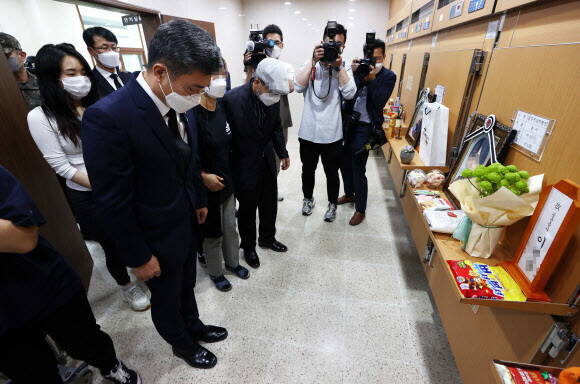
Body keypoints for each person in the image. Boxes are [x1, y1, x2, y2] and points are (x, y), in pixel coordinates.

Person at [82, 19, 227, 369]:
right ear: (161, 72)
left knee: (187, 283)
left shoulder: (181, 101)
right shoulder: (109, 116)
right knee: (166, 296)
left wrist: (198, 201)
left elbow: (188, 159)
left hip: (185, 218)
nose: (199, 96)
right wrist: (137, 256)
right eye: (194, 87)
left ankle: (193, 324)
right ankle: (181, 343)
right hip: (151, 235)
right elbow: (112, 200)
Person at [27, 43, 150, 312]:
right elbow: (62, 166)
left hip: (123, 183)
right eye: (71, 73)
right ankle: (126, 286)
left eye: (82, 71)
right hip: (88, 194)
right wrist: (106, 186)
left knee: (137, 229)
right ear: (51, 78)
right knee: (112, 244)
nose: (80, 78)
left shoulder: (98, 104)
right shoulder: (40, 117)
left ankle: (144, 267)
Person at [0, 165, 141, 384]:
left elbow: (23, 238)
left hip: (42, 282)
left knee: (85, 341)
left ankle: (110, 366)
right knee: (30, 372)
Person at [222, 58, 290, 269]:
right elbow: (225, 137)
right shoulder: (231, 100)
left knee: (269, 203)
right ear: (257, 82)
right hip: (243, 164)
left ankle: (267, 238)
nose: (275, 97)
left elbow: (276, 126)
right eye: (272, 92)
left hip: (267, 159)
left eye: (279, 94)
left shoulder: (273, 96)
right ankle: (249, 247)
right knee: (248, 209)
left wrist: (283, 152)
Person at [191, 62, 250, 292]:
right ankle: (216, 272)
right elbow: (185, 156)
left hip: (226, 181)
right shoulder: (191, 113)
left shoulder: (223, 106)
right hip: (205, 186)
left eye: (223, 75)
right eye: (214, 75)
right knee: (212, 232)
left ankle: (233, 263)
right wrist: (203, 176)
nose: (220, 80)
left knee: (230, 226)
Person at [294, 22, 356, 222]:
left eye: (338, 44)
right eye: (330, 42)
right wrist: (313, 60)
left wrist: (338, 68)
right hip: (309, 131)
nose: (333, 46)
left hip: (332, 133)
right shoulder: (311, 62)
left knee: (332, 173)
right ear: (322, 42)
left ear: (343, 47)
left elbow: (350, 94)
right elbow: (297, 86)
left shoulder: (343, 68)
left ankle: (331, 204)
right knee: (307, 170)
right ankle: (308, 199)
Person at [338, 38, 396, 225]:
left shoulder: (389, 76)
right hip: (349, 122)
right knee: (343, 161)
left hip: (366, 126)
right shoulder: (358, 69)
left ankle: (360, 209)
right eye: (370, 58)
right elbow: (349, 94)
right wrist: (355, 74)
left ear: (384, 57)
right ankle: (349, 193)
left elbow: (379, 102)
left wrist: (371, 80)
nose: (373, 63)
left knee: (357, 165)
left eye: (377, 59)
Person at [262, 24, 294, 202]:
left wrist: (271, 66)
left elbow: (289, 87)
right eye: (270, 42)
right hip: (257, 119)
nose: (273, 46)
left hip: (280, 118)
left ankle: (271, 189)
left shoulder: (286, 66)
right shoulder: (256, 63)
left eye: (277, 42)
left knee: (277, 157)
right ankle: (262, 189)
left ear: (282, 45)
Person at [83, 27, 132, 97]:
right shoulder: (89, 84)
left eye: (113, 47)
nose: (111, 51)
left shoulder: (129, 77)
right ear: (91, 51)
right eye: (104, 48)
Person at [0, 32, 41, 110]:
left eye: (5, 57)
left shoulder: (43, 83)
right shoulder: (4, 92)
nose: (2, 62)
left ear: (22, 56)